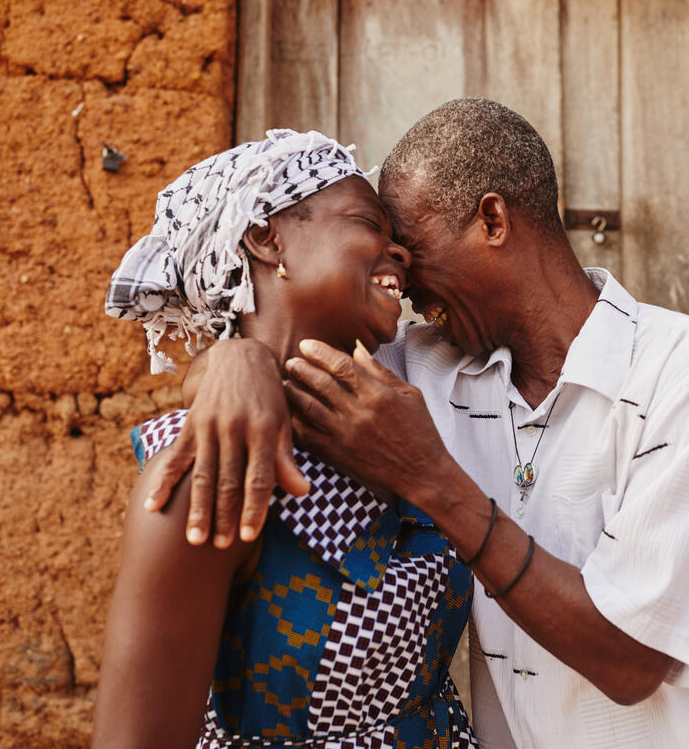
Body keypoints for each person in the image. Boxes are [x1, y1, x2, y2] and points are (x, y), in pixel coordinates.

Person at [147, 99, 689, 746]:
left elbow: (631, 661)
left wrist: (431, 479)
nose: (403, 273)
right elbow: (293, 343)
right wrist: (234, 364)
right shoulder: (429, 368)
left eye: (411, 244)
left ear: (492, 221)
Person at [92, 130, 477, 748]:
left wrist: (237, 358)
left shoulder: (395, 404)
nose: (398, 252)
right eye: (367, 222)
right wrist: (233, 360)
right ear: (267, 237)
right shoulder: (208, 473)